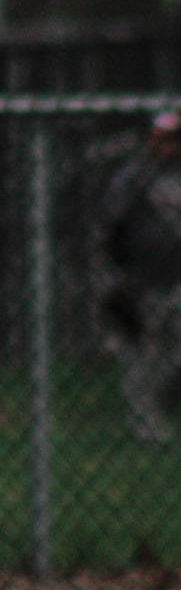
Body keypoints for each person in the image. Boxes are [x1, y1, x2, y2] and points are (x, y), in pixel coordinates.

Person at [100, 111, 181, 444]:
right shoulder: (132, 177)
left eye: (174, 138)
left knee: (173, 354)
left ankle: (164, 401)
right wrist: (119, 276)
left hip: (177, 280)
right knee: (138, 358)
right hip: (139, 281)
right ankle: (148, 430)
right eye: (161, 137)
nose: (167, 145)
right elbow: (112, 228)